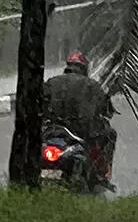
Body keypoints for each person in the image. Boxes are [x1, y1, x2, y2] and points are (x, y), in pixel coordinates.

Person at [42, 51, 117, 186]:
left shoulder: (51, 83)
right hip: (81, 133)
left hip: (52, 131)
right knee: (110, 134)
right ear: (84, 68)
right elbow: (107, 110)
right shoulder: (92, 86)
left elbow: (39, 105)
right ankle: (102, 172)